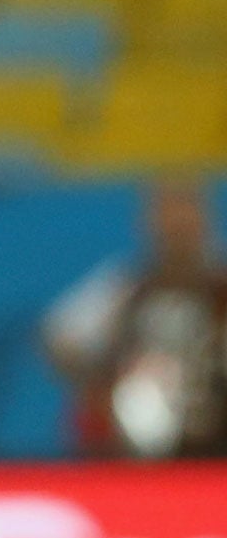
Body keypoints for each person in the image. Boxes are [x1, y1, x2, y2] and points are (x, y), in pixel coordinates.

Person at [41, 179, 227, 458]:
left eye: (186, 215)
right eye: (168, 216)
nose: (178, 227)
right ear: (150, 223)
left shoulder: (219, 286)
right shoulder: (125, 287)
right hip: (142, 446)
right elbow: (60, 338)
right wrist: (102, 386)